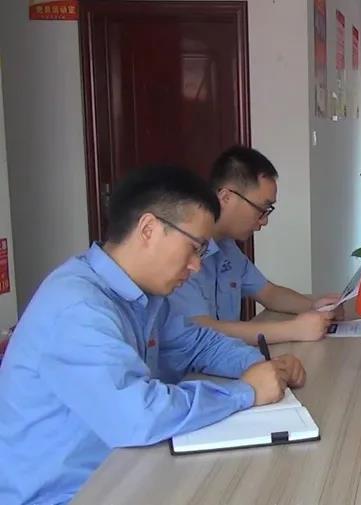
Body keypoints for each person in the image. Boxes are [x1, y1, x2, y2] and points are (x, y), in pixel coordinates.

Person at [0, 166, 306, 504]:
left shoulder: (144, 296)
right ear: (149, 229)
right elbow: (138, 416)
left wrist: (261, 366)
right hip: (65, 495)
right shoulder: (78, 308)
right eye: (194, 248)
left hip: (125, 469)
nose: (196, 266)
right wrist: (245, 392)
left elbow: (197, 344)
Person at [168, 146, 341, 345]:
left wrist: (315, 307)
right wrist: (293, 330)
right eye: (261, 209)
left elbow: (269, 293)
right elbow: (201, 329)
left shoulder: (228, 248)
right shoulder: (183, 252)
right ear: (226, 197)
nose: (264, 221)